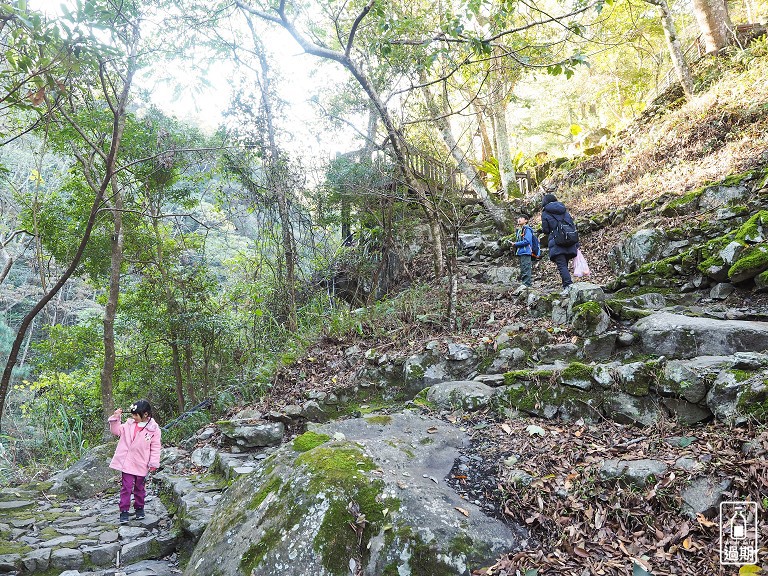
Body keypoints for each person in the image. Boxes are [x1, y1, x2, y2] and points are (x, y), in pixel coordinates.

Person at [109, 400, 161, 523]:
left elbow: (155, 447)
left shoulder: (153, 429)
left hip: (142, 463)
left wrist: (153, 463)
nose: (134, 417)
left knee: (139, 488)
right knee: (126, 487)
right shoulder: (128, 425)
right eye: (132, 415)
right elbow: (116, 431)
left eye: (136, 415)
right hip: (127, 463)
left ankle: (139, 508)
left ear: (146, 414)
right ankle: (124, 511)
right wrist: (116, 418)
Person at [540, 192, 579, 290]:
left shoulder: (545, 212)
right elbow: (572, 225)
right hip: (569, 240)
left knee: (562, 266)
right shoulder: (564, 210)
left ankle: (568, 286)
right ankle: (567, 285)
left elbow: (546, 230)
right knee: (564, 264)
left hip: (556, 241)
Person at [512, 214, 534, 287]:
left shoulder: (527, 229)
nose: (519, 219)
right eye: (519, 217)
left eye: (521, 218)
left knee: (526, 268)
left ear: (526, 221)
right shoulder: (519, 230)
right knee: (523, 269)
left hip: (526, 251)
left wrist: (516, 244)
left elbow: (527, 241)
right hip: (521, 252)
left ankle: (527, 285)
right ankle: (525, 285)